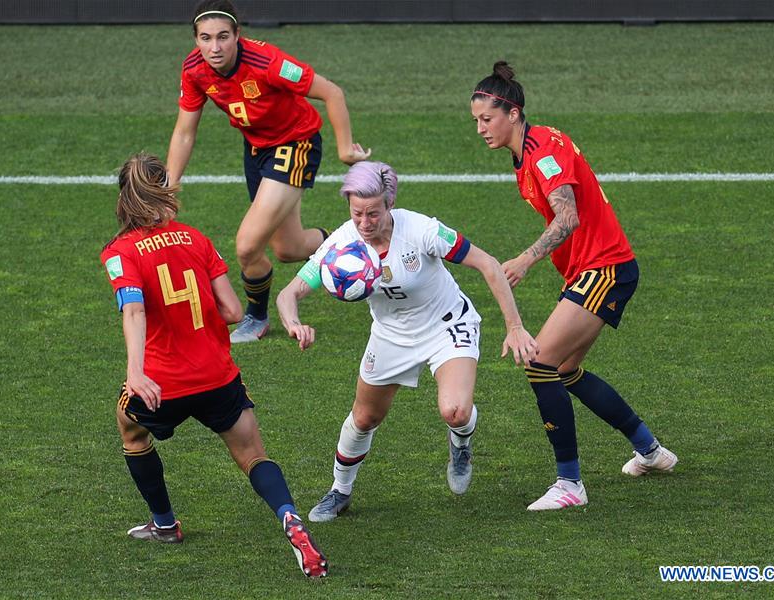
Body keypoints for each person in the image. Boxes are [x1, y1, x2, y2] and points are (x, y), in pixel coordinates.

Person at [100, 153, 327, 578]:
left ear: (125, 197)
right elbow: (234, 310)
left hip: (163, 383)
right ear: (164, 191)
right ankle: (290, 518)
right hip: (218, 376)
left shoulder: (120, 253)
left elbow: (134, 311)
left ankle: (165, 524)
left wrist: (135, 371)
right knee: (253, 455)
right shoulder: (195, 238)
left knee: (130, 428)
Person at [276, 161, 538, 522]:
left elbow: (489, 264)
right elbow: (289, 293)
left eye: (373, 213)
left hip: (446, 325)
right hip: (391, 335)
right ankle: (340, 490)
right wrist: (294, 323)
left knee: (455, 411)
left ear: (389, 204)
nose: (365, 224)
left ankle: (461, 442)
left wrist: (515, 326)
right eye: (357, 214)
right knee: (364, 418)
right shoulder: (342, 245)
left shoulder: (423, 230)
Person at [470, 62, 679, 511]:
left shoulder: (543, 151)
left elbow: (569, 216)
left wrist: (526, 258)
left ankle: (570, 484)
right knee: (563, 370)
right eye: (476, 121)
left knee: (540, 363)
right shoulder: (524, 150)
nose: (481, 128)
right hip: (590, 269)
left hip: (604, 268)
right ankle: (651, 452)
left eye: (486, 119)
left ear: (512, 111)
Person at [166, 0, 370, 343]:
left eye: (222, 37)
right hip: (257, 150)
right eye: (205, 38)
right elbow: (185, 131)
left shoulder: (267, 62)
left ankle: (256, 317)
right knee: (289, 248)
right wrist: (169, 185)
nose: (214, 47)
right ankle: (354, 243)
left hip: (296, 144)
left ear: (237, 36)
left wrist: (345, 148)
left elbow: (332, 93)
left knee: (246, 246)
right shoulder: (194, 69)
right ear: (196, 39)